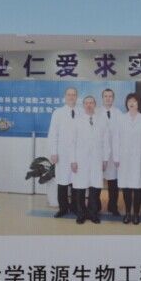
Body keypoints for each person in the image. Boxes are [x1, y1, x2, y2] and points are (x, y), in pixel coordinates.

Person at [112, 93, 141, 224]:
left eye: (134, 101)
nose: (131, 103)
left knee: (138, 187)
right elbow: (116, 139)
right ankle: (127, 213)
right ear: (126, 103)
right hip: (124, 159)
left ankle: (136, 213)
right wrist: (116, 157)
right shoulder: (120, 119)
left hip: (140, 159)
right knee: (126, 188)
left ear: (138, 103)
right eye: (129, 101)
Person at [70, 96, 110, 224]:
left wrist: (105, 159)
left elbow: (106, 141)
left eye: (91, 103)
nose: (89, 105)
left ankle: (93, 214)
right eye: (86, 103)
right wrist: (73, 160)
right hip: (80, 159)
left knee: (95, 188)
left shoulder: (102, 120)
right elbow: (72, 142)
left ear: (95, 104)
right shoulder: (77, 121)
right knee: (80, 188)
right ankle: (81, 214)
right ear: (83, 105)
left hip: (97, 159)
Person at [47, 87, 80, 218]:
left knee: (76, 181)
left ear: (76, 97)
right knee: (62, 181)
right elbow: (53, 134)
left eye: (74, 95)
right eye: (69, 95)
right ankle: (63, 208)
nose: (71, 97)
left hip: (77, 153)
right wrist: (53, 152)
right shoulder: (58, 112)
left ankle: (75, 207)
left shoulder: (81, 112)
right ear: (65, 97)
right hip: (62, 153)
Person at [99, 88, 123, 216]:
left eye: (110, 96)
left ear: (113, 98)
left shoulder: (119, 113)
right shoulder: (96, 112)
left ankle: (113, 206)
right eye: (105, 96)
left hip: (114, 153)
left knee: (113, 182)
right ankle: (96, 206)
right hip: (99, 152)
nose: (108, 98)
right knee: (97, 181)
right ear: (102, 98)